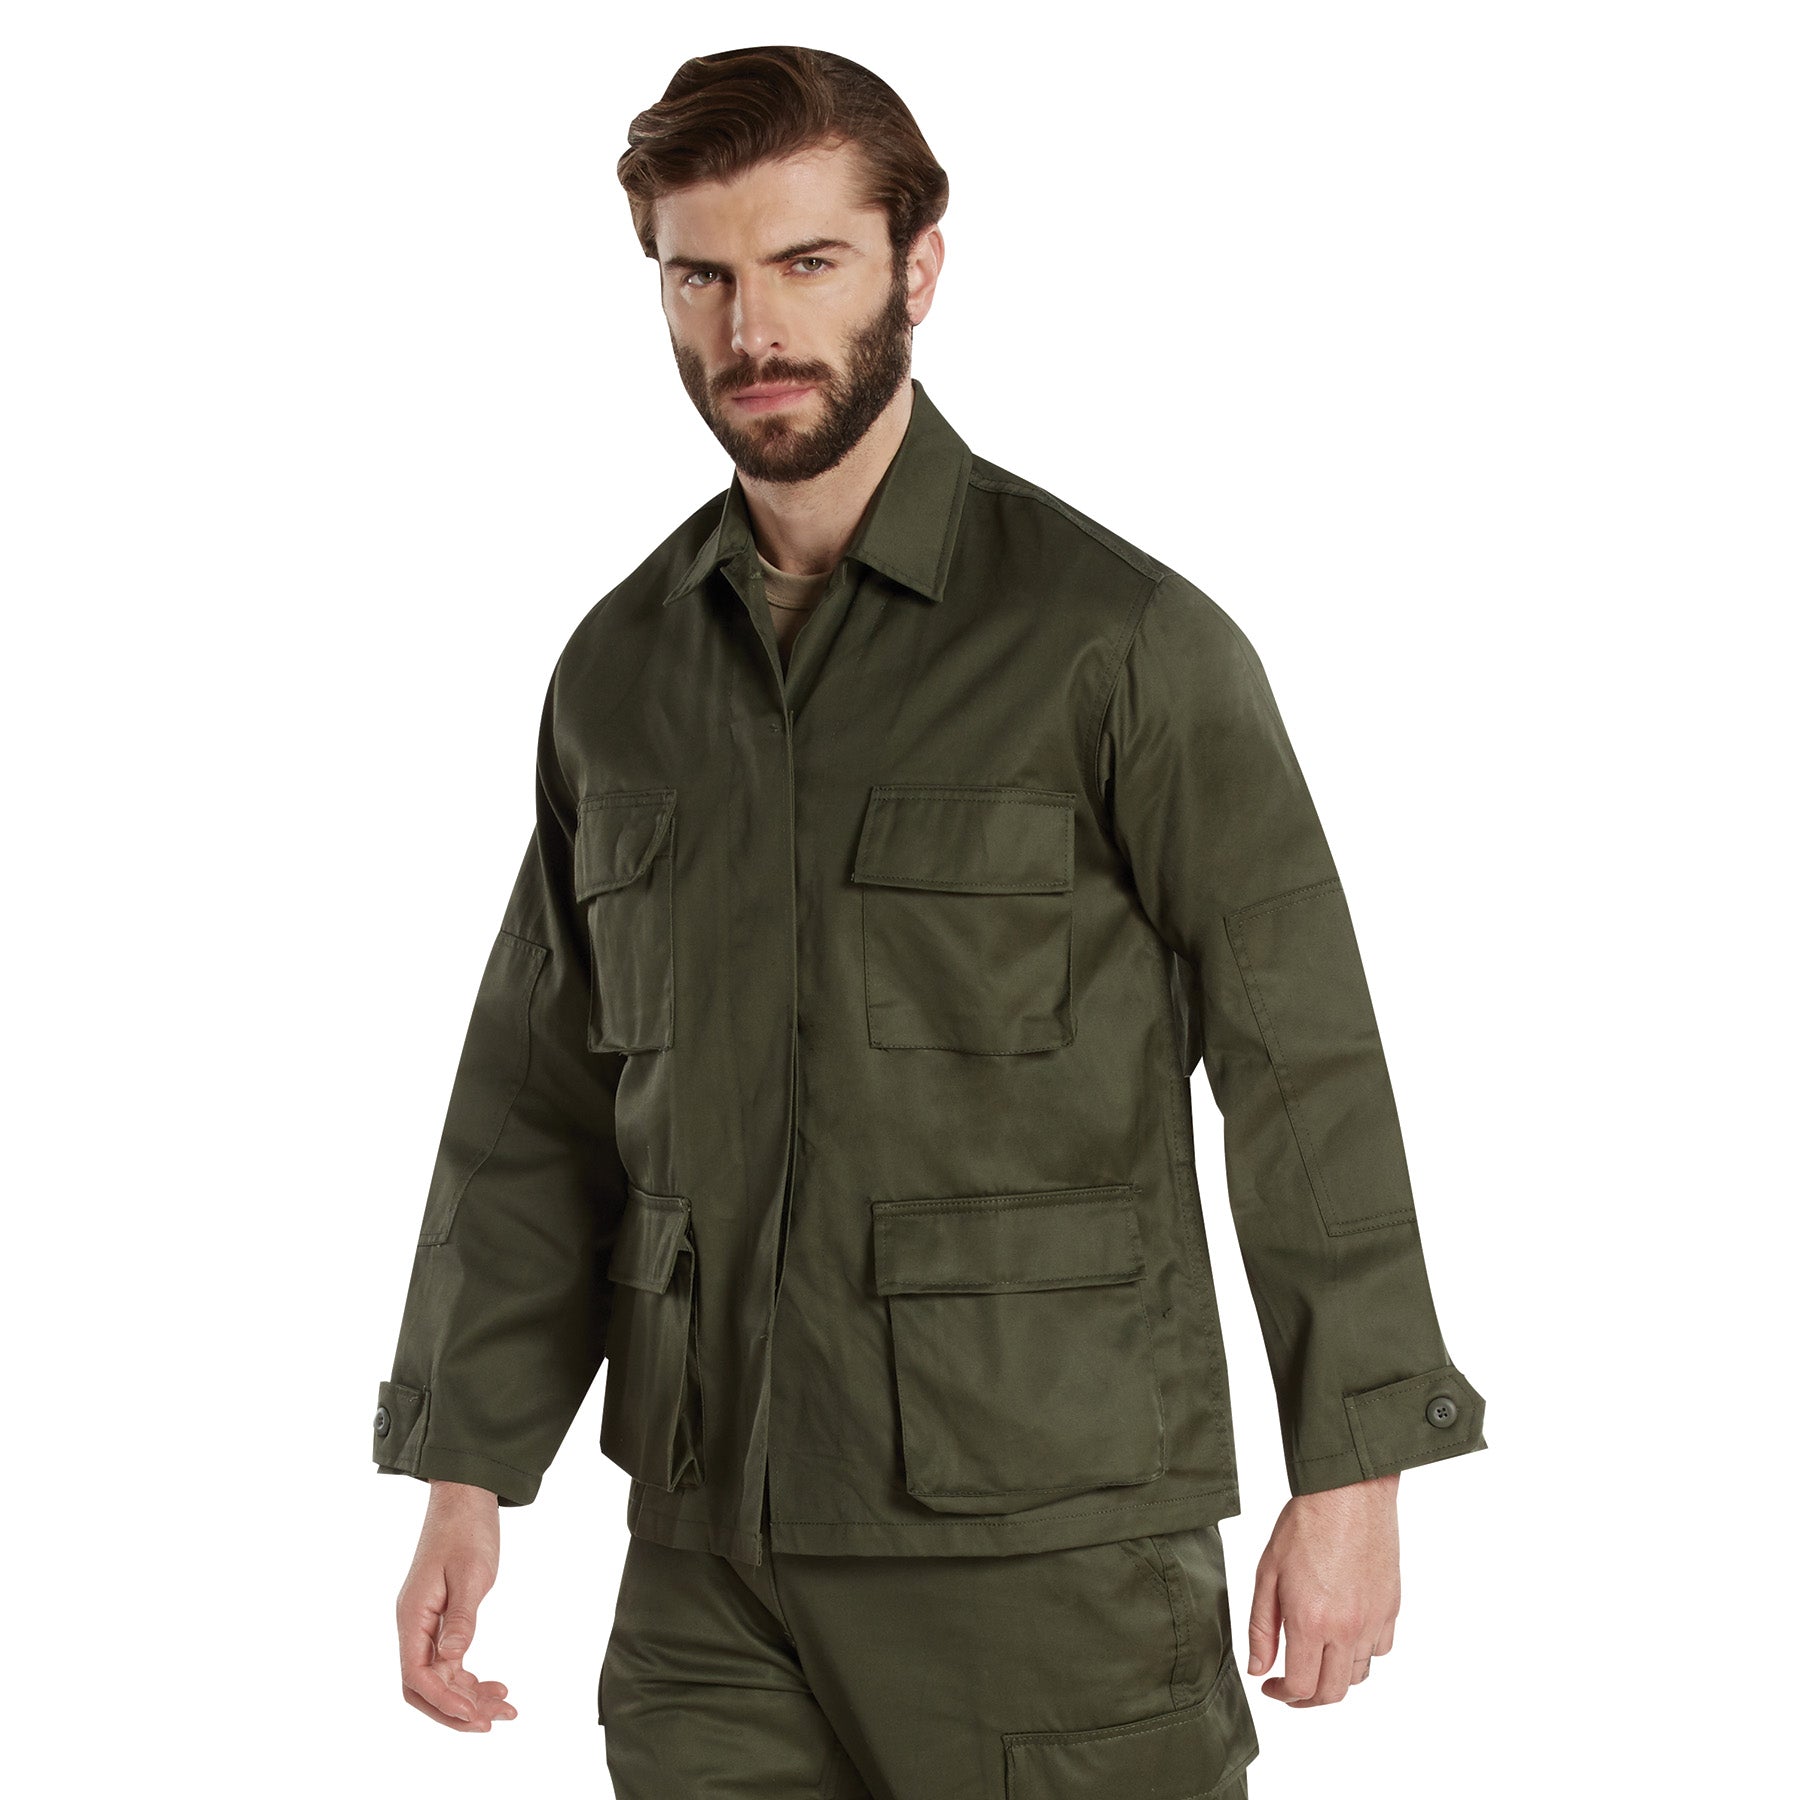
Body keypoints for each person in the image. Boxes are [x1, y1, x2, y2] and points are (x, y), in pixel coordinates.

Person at [372, 44, 1487, 1797]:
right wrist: (467, 1467)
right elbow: (540, 1099)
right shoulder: (621, 673)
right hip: (709, 1577)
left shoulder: (1118, 643)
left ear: (919, 268)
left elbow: (1302, 1061)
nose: (753, 329)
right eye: (701, 275)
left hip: (1046, 1550)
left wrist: (1353, 1470)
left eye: (807, 262)